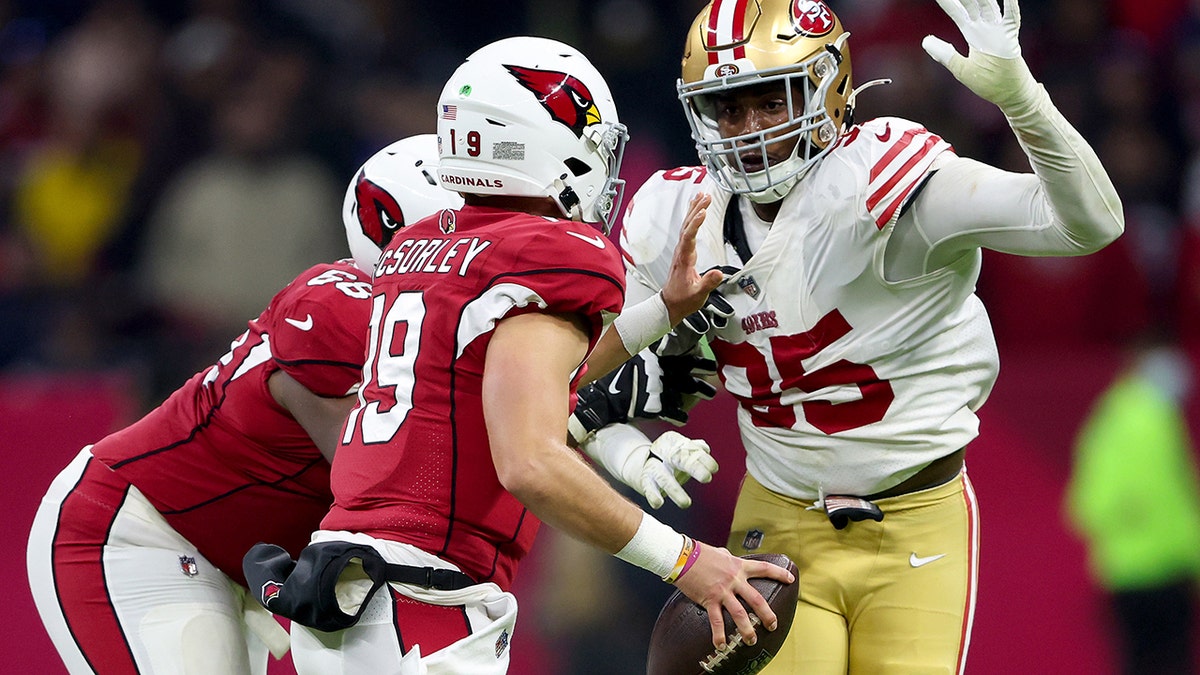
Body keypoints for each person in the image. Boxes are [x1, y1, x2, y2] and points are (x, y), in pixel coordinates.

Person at [599, 0, 1126, 672]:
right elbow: (577, 384)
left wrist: (1021, 97)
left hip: (917, 514)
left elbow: (1089, 223)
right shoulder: (677, 214)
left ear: (827, 88)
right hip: (780, 516)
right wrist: (632, 443)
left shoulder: (885, 181)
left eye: (769, 100)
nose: (749, 129)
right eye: (728, 108)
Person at [247, 36, 793, 675]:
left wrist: (661, 313)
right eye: (589, 135)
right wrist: (687, 561)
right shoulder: (549, 252)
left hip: (354, 586)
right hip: (420, 598)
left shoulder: (424, 243)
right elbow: (530, 461)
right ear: (537, 138)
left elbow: (516, 382)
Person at [25, 134, 463, 675]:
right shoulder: (340, 311)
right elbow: (382, 481)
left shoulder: (425, 327)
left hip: (229, 557)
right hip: (142, 534)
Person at [1066, 341, 1200, 675]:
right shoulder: (1154, 418)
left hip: (1123, 568)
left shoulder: (1108, 417)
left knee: (1137, 662)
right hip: (1167, 566)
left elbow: (1086, 503)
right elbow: (1173, 497)